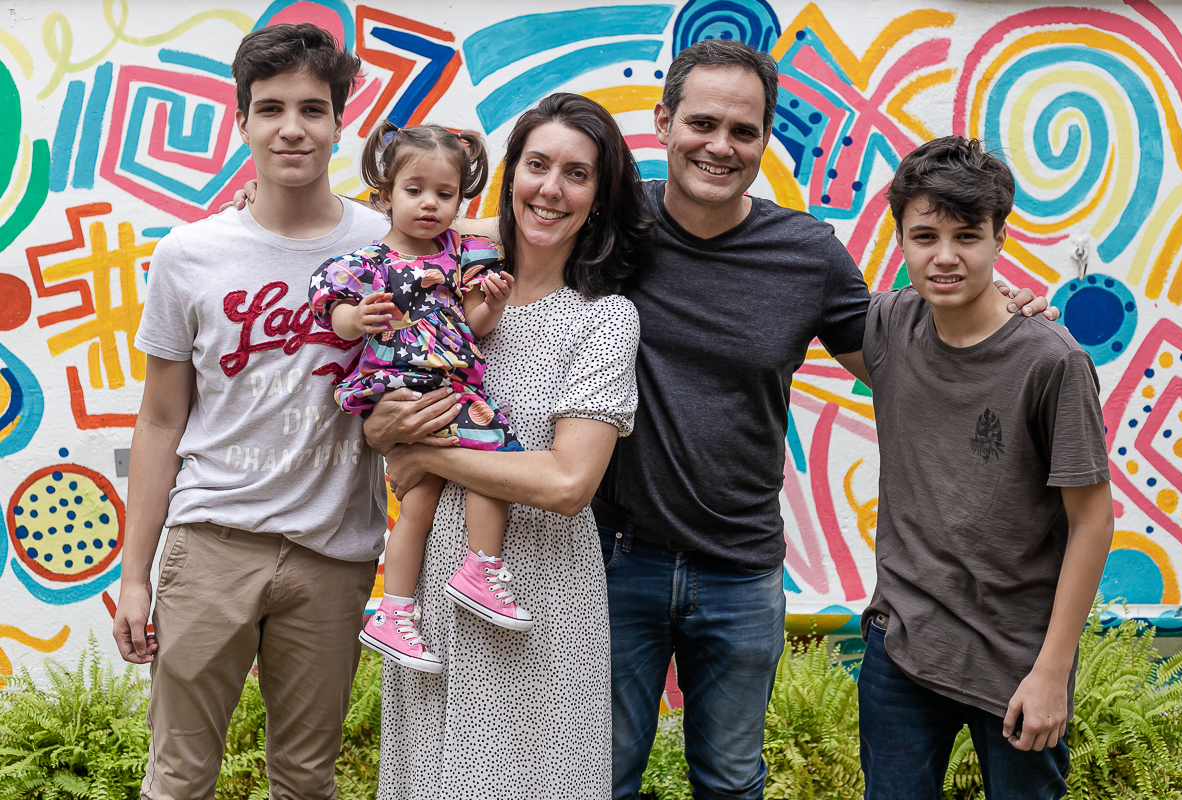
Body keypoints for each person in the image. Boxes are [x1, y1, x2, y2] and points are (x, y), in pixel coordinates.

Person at [586, 41, 1058, 800]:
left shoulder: (806, 253)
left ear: (765, 140)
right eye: (702, 123)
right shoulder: (608, 223)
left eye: (744, 131)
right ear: (664, 121)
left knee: (733, 781)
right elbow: (508, 249)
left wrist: (1005, 320)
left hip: (740, 570)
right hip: (615, 558)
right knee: (598, 778)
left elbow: (909, 357)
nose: (721, 146)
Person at [113, 23, 389, 800]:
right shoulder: (188, 256)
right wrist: (134, 578)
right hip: (209, 545)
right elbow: (160, 422)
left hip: (334, 552)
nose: (292, 128)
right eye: (270, 109)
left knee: (306, 781)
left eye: (312, 108)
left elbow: (491, 243)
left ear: (340, 120)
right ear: (242, 122)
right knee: (177, 777)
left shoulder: (386, 247)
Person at [368, 93, 654, 798]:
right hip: (433, 588)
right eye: (537, 165)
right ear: (509, 177)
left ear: (599, 196)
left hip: (539, 597)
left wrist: (423, 454)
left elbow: (566, 484)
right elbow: (382, 412)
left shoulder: (605, 320)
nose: (551, 188)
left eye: (577, 173)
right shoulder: (447, 294)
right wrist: (383, 432)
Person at [856, 136, 1113, 799]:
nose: (945, 256)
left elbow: (1091, 522)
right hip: (902, 650)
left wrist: (1053, 672)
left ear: (1000, 238)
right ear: (902, 241)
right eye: (925, 236)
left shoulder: (1051, 362)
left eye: (967, 235)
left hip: (1017, 661)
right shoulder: (887, 327)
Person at [310, 122, 530, 676]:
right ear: (385, 195)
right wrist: (356, 317)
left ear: (461, 199)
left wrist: (494, 304)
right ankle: (481, 569)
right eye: (414, 191)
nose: (430, 204)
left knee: (422, 505)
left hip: (451, 379)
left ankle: (393, 609)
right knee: (494, 458)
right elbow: (329, 307)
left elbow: (473, 326)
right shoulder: (366, 261)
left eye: (445, 194)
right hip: (405, 383)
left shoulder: (463, 254)